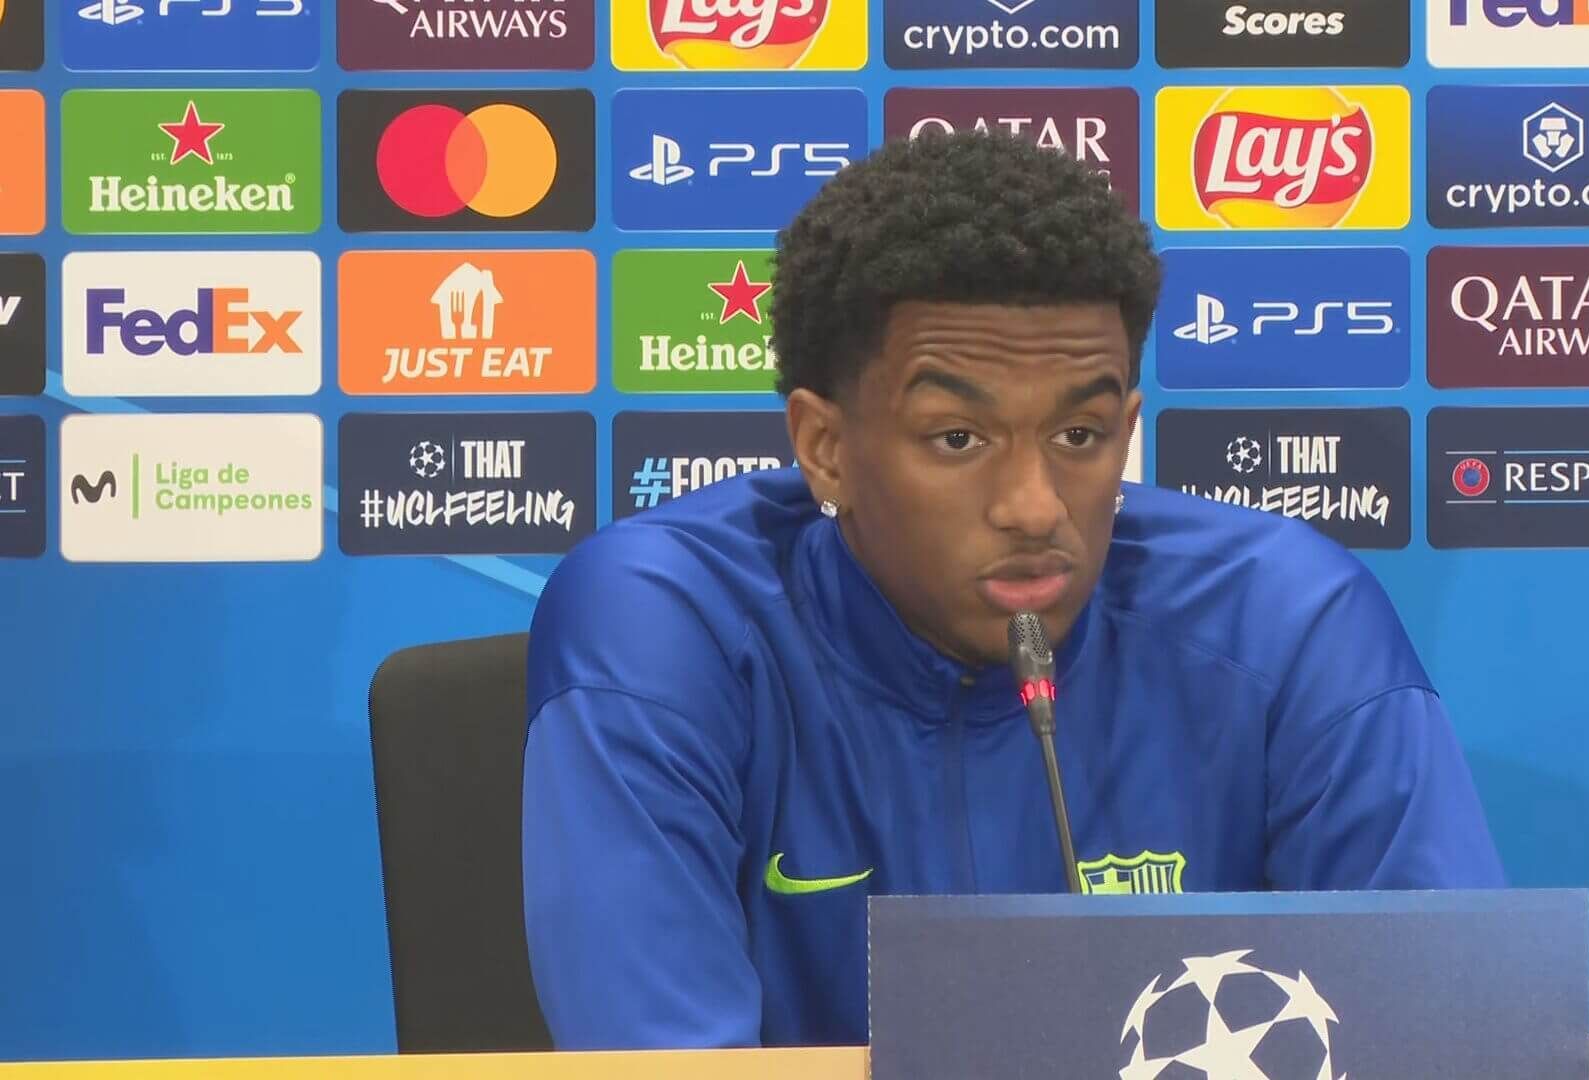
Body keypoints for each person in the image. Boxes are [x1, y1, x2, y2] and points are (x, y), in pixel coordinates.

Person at [520, 130, 1504, 1051]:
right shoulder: (670, 625)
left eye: (1080, 436)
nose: (1036, 508)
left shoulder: (1285, 622)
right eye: (958, 438)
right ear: (824, 447)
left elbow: (1455, 1040)